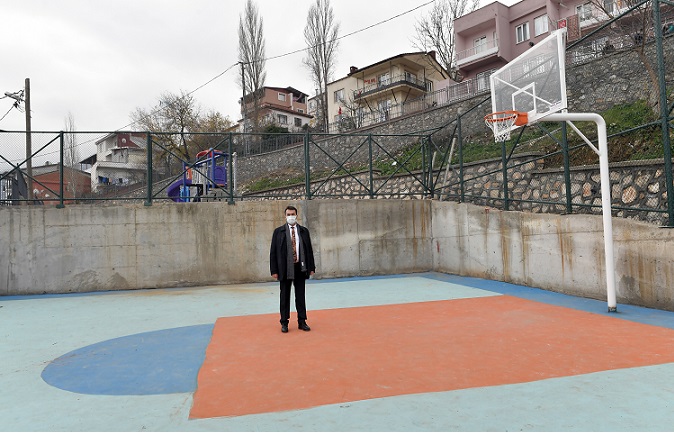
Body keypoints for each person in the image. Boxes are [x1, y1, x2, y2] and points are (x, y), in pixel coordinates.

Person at [270, 205, 316, 333]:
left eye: (293, 214)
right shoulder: (278, 232)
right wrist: (274, 270)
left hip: (300, 267)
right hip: (284, 269)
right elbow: (273, 252)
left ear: (296, 215)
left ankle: (302, 321)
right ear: (285, 216)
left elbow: (309, 250)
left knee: (300, 296)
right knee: (284, 296)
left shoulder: (303, 231)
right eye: (288, 214)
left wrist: (311, 267)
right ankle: (284, 322)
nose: (291, 216)